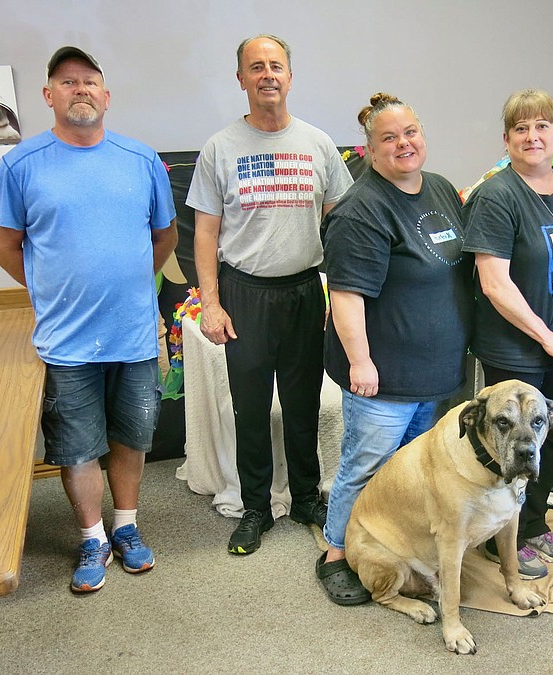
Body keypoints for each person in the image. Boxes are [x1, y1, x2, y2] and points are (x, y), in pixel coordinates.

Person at [0, 46, 178, 593]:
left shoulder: (141, 161)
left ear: (106, 94)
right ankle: (92, 536)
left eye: (90, 81)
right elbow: (2, 245)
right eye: (68, 83)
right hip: (66, 343)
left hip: (134, 336)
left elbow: (164, 235)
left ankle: (126, 527)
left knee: (131, 439)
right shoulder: (22, 165)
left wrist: (134, 283)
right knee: (76, 445)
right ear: (49, 95)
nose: (81, 90)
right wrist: (49, 289)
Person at [186, 35, 353, 555]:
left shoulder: (319, 144)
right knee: (252, 409)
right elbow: (206, 233)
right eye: (255, 67)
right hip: (245, 293)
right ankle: (255, 505)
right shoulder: (220, 148)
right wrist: (211, 303)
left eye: (275, 66)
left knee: (303, 404)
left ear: (289, 76)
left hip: (305, 291)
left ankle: (305, 496)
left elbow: (343, 223)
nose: (267, 75)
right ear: (241, 79)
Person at [316, 93, 473, 605]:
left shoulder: (444, 190)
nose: (403, 144)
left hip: (433, 372)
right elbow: (346, 294)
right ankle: (336, 553)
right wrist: (360, 362)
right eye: (389, 137)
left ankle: (396, 543)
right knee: (365, 467)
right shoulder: (362, 209)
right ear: (369, 149)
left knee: (409, 474)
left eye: (411, 132)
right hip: (383, 376)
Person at [462, 89, 553, 580]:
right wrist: (550, 338)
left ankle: (536, 521)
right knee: (511, 446)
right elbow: (493, 282)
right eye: (520, 129)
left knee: (549, 441)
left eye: (542, 126)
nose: (532, 136)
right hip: (516, 350)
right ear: (506, 140)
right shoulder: (497, 195)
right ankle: (501, 536)